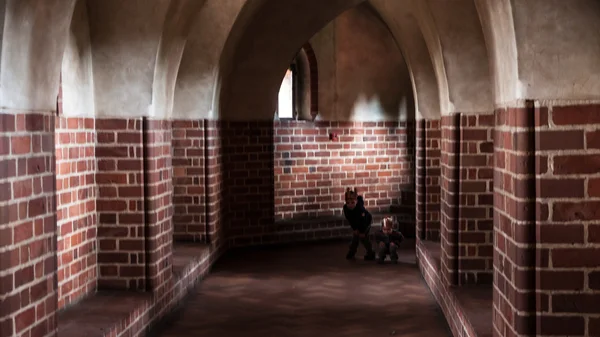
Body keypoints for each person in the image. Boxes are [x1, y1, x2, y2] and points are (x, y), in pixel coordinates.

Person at [343, 187, 376, 261]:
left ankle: (370, 252)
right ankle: (352, 252)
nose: (350, 205)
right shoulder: (346, 209)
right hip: (356, 223)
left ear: (356, 201)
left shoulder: (360, 209)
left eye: (352, 203)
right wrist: (355, 229)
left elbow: (363, 220)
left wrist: (362, 231)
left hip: (366, 222)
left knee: (363, 238)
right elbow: (350, 220)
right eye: (348, 203)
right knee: (355, 237)